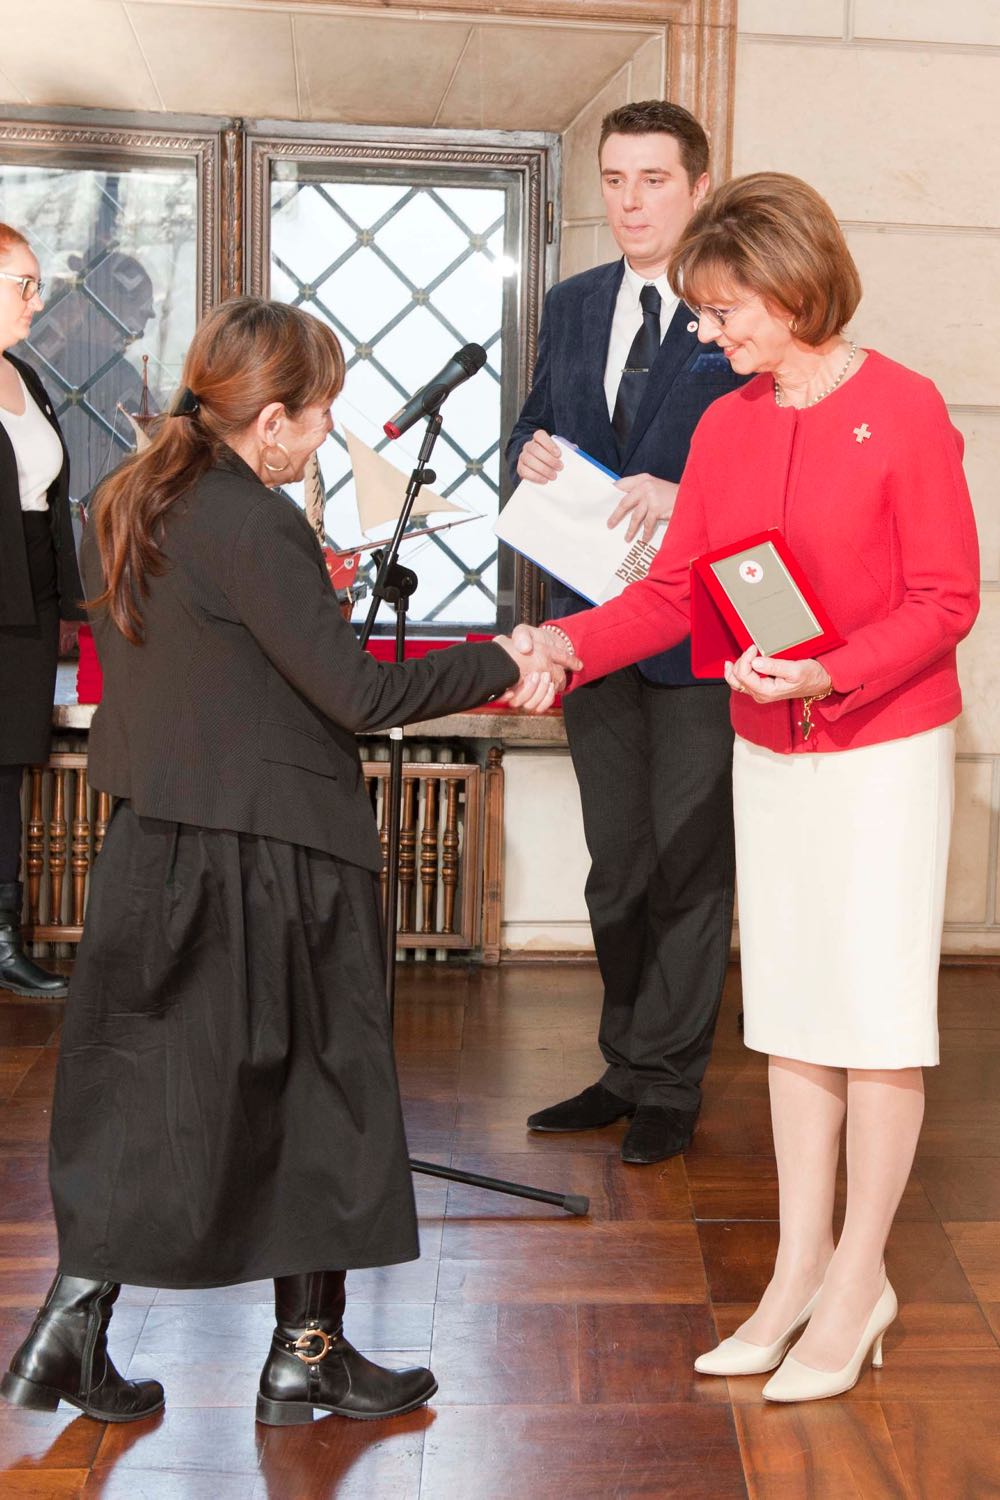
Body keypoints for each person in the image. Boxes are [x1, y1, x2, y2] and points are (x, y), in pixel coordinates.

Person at [1, 297, 569, 1427]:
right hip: (273, 851)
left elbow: (209, 656)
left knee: (149, 1091)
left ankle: (71, 1325)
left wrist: (310, 595)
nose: (322, 436)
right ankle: (306, 1354)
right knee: (319, 1096)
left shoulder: (133, 492)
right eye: (319, 418)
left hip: (155, 840)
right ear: (269, 422)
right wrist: (500, 657)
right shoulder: (253, 520)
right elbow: (357, 696)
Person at [513, 172, 979, 1402]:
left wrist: (827, 668)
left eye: (724, 314)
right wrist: (568, 644)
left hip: (878, 746)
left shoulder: (906, 408)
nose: (710, 335)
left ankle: (857, 1280)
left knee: (871, 1019)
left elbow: (946, 601)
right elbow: (678, 592)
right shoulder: (728, 421)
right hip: (768, 745)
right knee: (785, 1014)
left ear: (786, 286)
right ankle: (796, 1270)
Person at [506, 101, 748, 1165]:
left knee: (689, 867)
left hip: (700, 640)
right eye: (614, 178)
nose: (630, 200)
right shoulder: (570, 305)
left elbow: (766, 473)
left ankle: (671, 1082)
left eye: (653, 179)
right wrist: (527, 457)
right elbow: (530, 432)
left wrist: (682, 487)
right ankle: (622, 1063)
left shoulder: (737, 311)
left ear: (698, 188)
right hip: (592, 629)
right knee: (617, 868)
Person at [0, 224, 85, 999]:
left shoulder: (24, 374)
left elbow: (51, 504)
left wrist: (68, 604)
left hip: (27, 600)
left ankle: (3, 937)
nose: (37, 298)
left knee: (7, 771)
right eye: (22, 284)